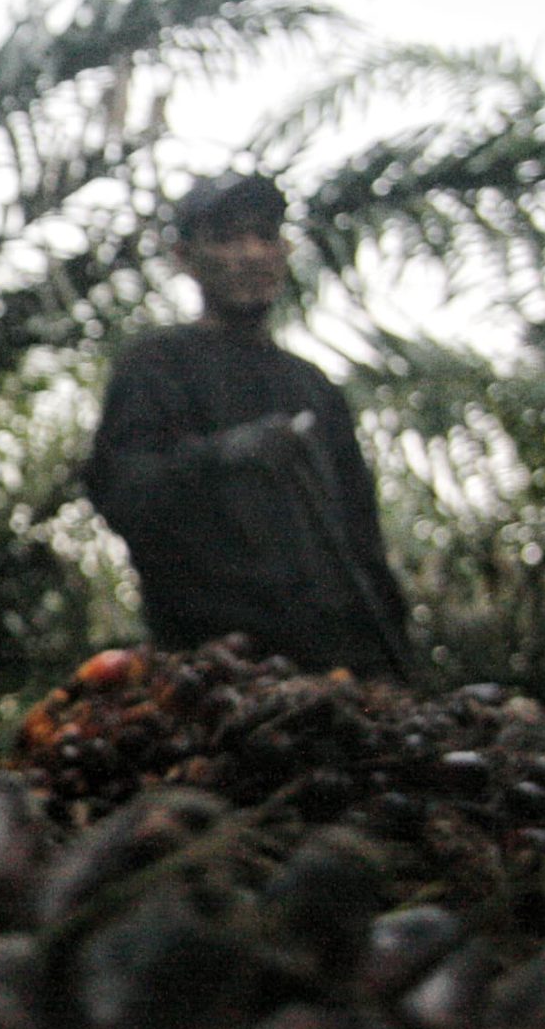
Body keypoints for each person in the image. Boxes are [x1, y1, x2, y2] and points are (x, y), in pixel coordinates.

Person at [85, 171, 412, 679]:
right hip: (215, 670)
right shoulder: (157, 365)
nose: (252, 253)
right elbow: (123, 491)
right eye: (227, 238)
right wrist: (226, 457)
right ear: (185, 257)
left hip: (336, 668)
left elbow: (361, 539)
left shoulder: (314, 387)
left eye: (265, 235)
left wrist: (394, 661)